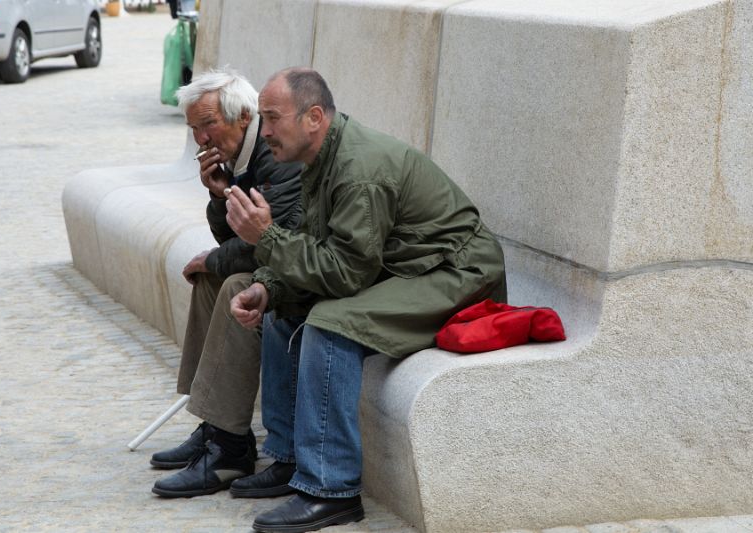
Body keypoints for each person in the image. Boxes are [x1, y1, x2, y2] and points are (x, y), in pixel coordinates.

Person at [224, 68, 507, 533]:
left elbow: (345, 275)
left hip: (459, 275)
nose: (265, 131)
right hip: (406, 269)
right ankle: (290, 457)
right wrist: (269, 287)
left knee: (330, 323)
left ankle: (330, 489)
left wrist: (266, 238)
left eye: (272, 118)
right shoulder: (323, 156)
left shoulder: (358, 170)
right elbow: (323, 247)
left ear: (314, 117)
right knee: (282, 315)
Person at [149, 68, 302, 499]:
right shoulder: (241, 155)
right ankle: (214, 423)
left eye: (207, 124)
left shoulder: (275, 154)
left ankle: (231, 448)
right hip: (284, 258)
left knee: (232, 282)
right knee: (213, 281)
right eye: (194, 128)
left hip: (305, 265)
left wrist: (214, 259)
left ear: (244, 117)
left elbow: (267, 245)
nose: (200, 139)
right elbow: (236, 236)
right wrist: (220, 196)